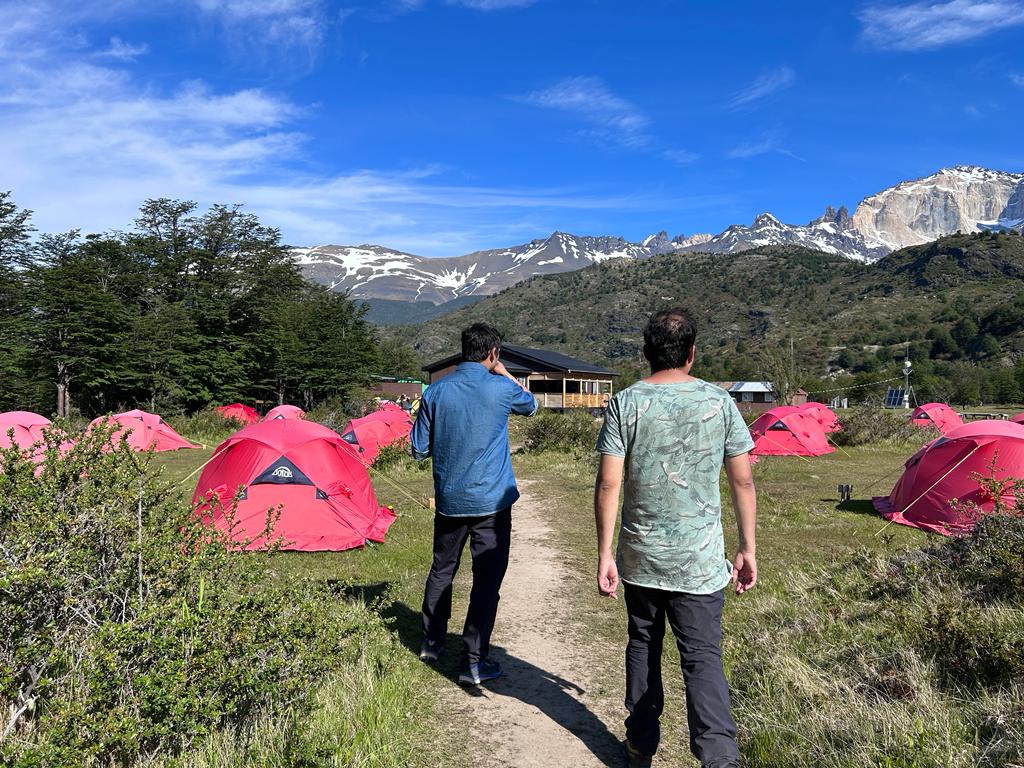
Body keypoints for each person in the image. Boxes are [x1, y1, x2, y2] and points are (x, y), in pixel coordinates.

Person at [593, 308, 757, 768]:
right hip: (701, 562)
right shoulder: (720, 402)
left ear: (646, 353)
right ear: (691, 353)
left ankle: (640, 744)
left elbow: (609, 483)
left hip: (641, 557)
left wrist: (605, 553)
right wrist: (747, 549)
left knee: (643, 644)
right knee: (702, 657)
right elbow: (742, 482)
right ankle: (719, 757)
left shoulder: (625, 402)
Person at [411, 322, 537, 685]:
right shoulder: (500, 388)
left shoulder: (435, 392)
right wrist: (503, 372)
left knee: (442, 569)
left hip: (450, 500)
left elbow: (419, 449)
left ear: (463, 349)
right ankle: (473, 661)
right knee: (486, 580)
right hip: (492, 505)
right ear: (493, 353)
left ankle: (432, 640)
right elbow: (531, 406)